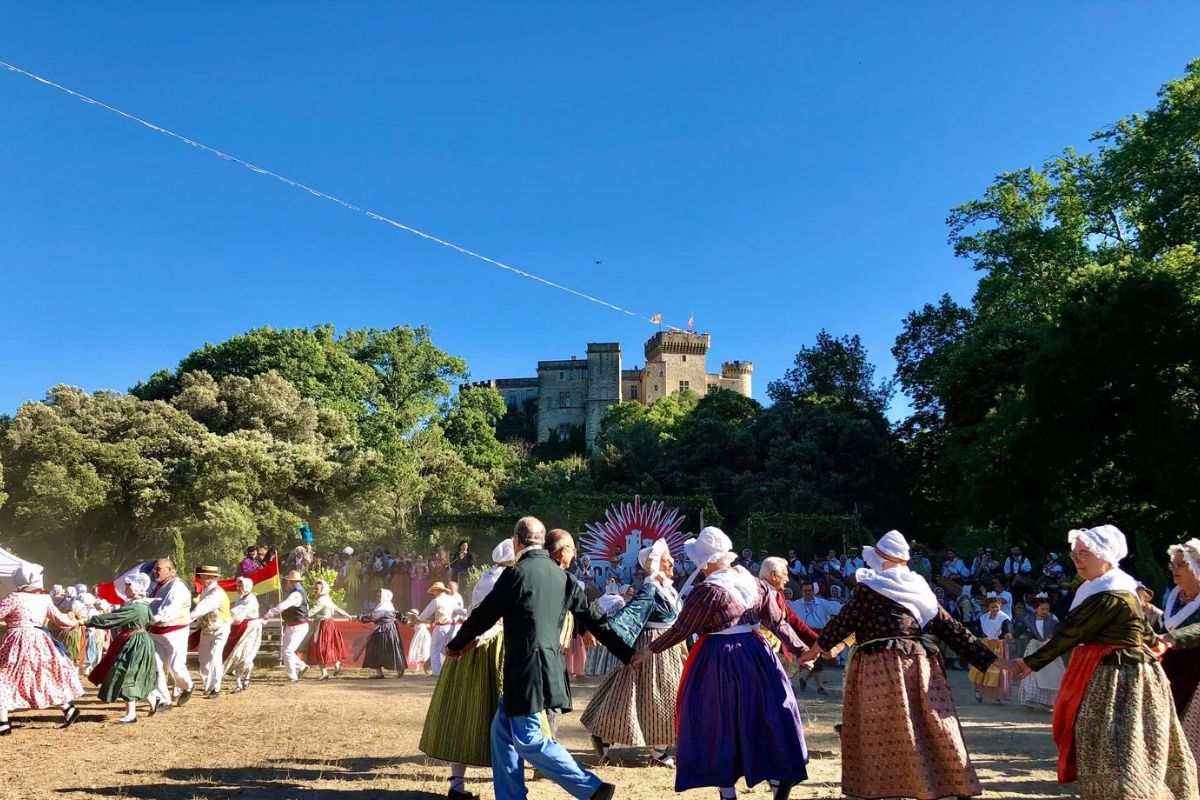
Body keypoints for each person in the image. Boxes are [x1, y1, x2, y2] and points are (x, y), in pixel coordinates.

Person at [799, 529, 1000, 800]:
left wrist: (814, 650)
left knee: (884, 725)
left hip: (879, 665)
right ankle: (945, 782)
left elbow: (845, 621)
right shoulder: (918, 587)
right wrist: (989, 659)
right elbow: (949, 627)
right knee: (929, 721)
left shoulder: (870, 587)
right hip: (918, 663)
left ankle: (890, 787)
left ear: (882, 558)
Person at [443, 516, 634, 800]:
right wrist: (627, 653)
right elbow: (596, 622)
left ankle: (592, 788)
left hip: (524, 672)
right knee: (502, 734)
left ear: (516, 541)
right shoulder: (565, 577)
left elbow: (483, 616)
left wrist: (455, 645)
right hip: (549, 668)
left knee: (530, 740)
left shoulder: (515, 574)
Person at [1013, 525, 1196, 799]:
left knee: (1121, 742)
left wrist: (1030, 662)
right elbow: (1146, 634)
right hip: (1113, 670)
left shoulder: (1111, 592)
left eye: (1084, 554)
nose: (1077, 560)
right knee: (1110, 740)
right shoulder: (1106, 586)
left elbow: (1071, 633)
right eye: (1074, 555)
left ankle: (1131, 792)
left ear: (1106, 556)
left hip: (1123, 676)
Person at [633, 527, 808, 800]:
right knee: (760, 716)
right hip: (757, 655)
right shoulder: (756, 583)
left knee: (719, 722)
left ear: (708, 561)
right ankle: (775, 781)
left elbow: (681, 629)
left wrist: (648, 651)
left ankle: (728, 791)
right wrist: (800, 649)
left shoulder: (708, 591)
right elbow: (778, 622)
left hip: (720, 658)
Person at [419, 539, 518, 800]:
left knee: (461, 715)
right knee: (503, 713)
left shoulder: (486, 577)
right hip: (494, 645)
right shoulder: (509, 579)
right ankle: (508, 785)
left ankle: (457, 785)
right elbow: (496, 620)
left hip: (469, 644)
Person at [582, 539, 687, 768]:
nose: (672, 563)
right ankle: (606, 736)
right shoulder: (651, 589)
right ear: (657, 564)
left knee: (658, 696)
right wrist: (602, 632)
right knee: (650, 695)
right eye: (667, 560)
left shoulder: (665, 588)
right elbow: (629, 614)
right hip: (652, 647)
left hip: (666, 647)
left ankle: (657, 750)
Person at [0, 563, 85, 735]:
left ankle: (3, 723)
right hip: (40, 641)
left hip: (17, 640)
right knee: (41, 676)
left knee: (5, 677)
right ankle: (68, 708)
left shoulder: (14, 597)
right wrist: (77, 622)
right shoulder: (43, 598)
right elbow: (60, 620)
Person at [84, 573, 163, 722]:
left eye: (128, 586)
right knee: (131, 673)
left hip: (135, 642)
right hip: (136, 640)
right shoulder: (141, 605)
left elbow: (114, 618)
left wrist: (89, 622)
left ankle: (131, 714)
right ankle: (153, 699)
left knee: (126, 674)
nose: (125, 589)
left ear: (135, 588)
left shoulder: (136, 607)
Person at [1160, 538, 1200, 721]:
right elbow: (1167, 624)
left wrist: (1173, 637)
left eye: (1181, 564)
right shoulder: (1173, 595)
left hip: (1195, 671)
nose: (1174, 569)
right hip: (1171, 667)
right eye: (1173, 564)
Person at [148, 558, 195, 708]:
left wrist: (151, 618)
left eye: (159, 568)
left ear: (169, 570)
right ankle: (164, 700)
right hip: (156, 632)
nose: (155, 571)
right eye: (155, 568)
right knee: (155, 665)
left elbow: (169, 610)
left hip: (175, 631)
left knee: (176, 667)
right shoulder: (158, 586)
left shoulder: (177, 587)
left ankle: (187, 686)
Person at [788, 581, 841, 694]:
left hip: (820, 635)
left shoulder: (822, 603)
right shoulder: (795, 605)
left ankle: (804, 679)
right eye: (805, 591)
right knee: (814, 660)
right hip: (804, 634)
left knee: (818, 659)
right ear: (801, 592)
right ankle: (819, 686)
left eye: (810, 590)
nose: (808, 593)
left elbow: (839, 609)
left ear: (814, 591)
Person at [189, 565, 232, 698]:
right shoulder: (205, 591)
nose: (201, 578)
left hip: (220, 627)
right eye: (201, 576)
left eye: (203, 576)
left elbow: (202, 608)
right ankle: (208, 686)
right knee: (203, 659)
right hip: (207, 628)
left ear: (212, 578)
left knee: (215, 655)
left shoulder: (216, 593)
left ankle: (215, 688)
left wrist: (187, 618)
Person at [1016, 594, 1065, 710]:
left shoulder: (1052, 618)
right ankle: (1030, 698)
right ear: (1036, 608)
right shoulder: (1029, 618)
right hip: (1034, 646)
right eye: (1042, 609)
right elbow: (1020, 629)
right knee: (1031, 673)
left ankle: (1048, 702)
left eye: (1047, 609)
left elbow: (1059, 631)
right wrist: (1011, 634)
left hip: (1048, 647)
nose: (1045, 611)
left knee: (1051, 674)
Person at [264, 570, 310, 682]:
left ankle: (293, 676)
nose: (287, 582)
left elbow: (283, 606)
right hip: (294, 624)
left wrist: (269, 613)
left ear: (291, 581)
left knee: (288, 651)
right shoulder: (297, 591)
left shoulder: (296, 593)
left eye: (288, 580)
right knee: (286, 651)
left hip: (298, 625)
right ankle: (301, 666)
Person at [969, 593, 1013, 704]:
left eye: (996, 607)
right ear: (988, 607)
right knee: (981, 670)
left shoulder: (1004, 618)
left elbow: (1007, 627)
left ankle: (997, 696)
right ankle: (978, 691)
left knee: (998, 671)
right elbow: (974, 625)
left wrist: (1008, 633)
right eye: (992, 607)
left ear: (1000, 606)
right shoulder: (983, 617)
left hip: (999, 645)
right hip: (986, 644)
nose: (994, 609)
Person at [307, 579, 353, 680]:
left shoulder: (321, 600)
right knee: (331, 646)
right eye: (314, 588)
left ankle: (324, 672)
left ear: (322, 589)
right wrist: (347, 615)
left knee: (320, 648)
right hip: (330, 625)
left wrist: (300, 616)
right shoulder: (327, 598)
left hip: (323, 625)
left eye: (317, 588)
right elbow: (337, 608)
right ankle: (336, 665)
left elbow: (311, 612)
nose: (315, 590)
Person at [224, 577, 263, 692]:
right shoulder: (239, 599)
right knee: (237, 654)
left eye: (240, 586)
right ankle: (238, 683)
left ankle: (246, 677)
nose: (237, 588)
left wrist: (230, 617)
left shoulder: (252, 600)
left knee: (246, 656)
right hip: (241, 628)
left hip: (251, 628)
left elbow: (240, 612)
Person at [420, 582, 466, 676]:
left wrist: (417, 619)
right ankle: (455, 667)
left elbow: (425, 614)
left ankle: (437, 672)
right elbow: (461, 611)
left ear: (437, 590)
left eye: (434, 590)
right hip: (451, 627)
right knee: (445, 649)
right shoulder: (451, 599)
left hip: (441, 627)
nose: (433, 592)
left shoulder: (436, 601)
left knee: (435, 650)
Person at [583, 580, 627, 677]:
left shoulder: (599, 599)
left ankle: (593, 671)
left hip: (598, 625)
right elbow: (621, 615)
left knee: (597, 649)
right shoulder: (619, 600)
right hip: (612, 628)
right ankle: (607, 671)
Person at [359, 588, 406, 678]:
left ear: (384, 597)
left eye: (379, 596)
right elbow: (398, 615)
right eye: (377, 596)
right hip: (383, 632)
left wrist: (360, 617)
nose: (377, 598)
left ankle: (400, 669)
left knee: (391, 651)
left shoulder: (384, 608)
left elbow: (373, 617)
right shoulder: (387, 606)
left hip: (386, 631)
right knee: (375, 651)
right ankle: (380, 673)